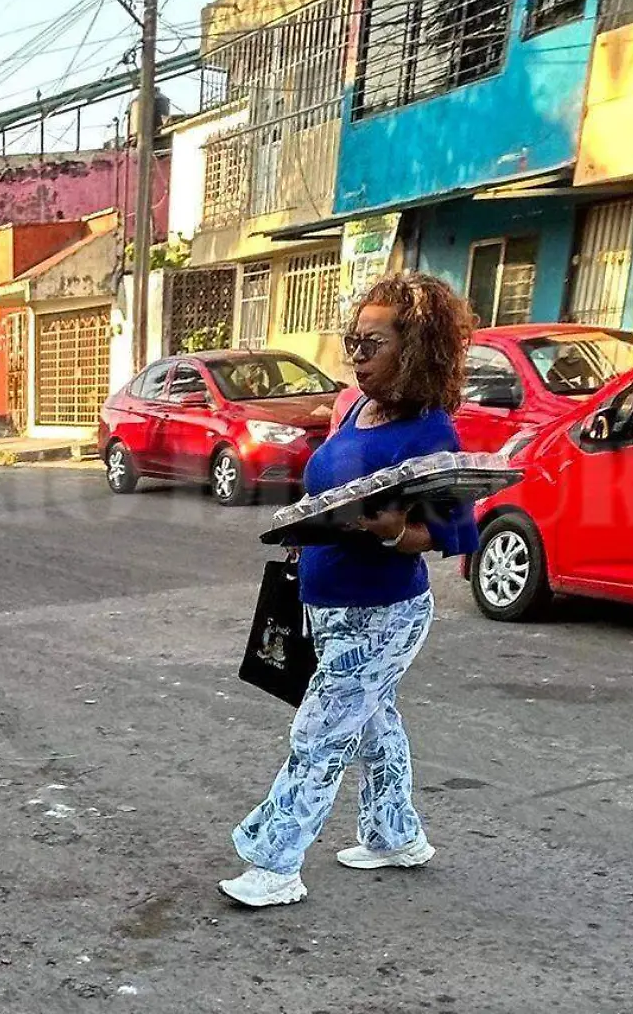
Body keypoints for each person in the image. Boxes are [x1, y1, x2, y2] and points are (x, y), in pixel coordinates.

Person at [221, 273, 480, 908]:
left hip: (384, 613)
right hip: (327, 603)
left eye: (372, 345)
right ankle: (396, 836)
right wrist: (304, 527)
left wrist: (396, 532)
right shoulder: (357, 409)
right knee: (372, 724)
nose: (356, 357)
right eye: (352, 342)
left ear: (415, 348)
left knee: (320, 732)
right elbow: (330, 486)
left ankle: (274, 862)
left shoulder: (429, 432)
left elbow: (456, 530)